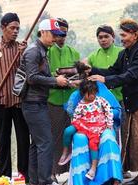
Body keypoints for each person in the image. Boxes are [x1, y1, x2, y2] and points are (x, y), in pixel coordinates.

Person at [87, 18, 138, 185]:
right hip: (132, 98)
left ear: (135, 35)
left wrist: (105, 79)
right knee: (133, 137)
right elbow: (113, 71)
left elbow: (131, 75)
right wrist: (92, 70)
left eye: (124, 35)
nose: (122, 38)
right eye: (121, 35)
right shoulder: (124, 54)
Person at [20, 18, 68, 185]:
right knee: (46, 142)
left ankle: (34, 182)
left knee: (37, 144)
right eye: (54, 34)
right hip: (33, 103)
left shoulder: (42, 50)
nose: (56, 38)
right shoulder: (33, 51)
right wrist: (55, 80)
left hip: (37, 102)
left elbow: (40, 78)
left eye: (58, 35)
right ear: (43, 32)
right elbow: (32, 78)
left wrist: (60, 81)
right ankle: (46, 183)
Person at [0, 13, 30, 182]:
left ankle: (26, 173)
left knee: (24, 138)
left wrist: (24, 55)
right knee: (3, 139)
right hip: (1, 102)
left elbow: (28, 73)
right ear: (3, 28)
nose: (16, 31)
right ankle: (4, 176)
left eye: (18, 28)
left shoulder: (22, 48)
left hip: (20, 101)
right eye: (12, 28)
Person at [86, 25, 131, 178]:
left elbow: (125, 75)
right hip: (99, 104)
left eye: (106, 37)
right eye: (100, 37)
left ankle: (122, 168)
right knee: (102, 134)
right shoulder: (92, 56)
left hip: (119, 99)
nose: (103, 40)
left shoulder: (122, 52)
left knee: (121, 133)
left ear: (113, 37)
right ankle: (104, 168)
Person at [65, 81, 123, 185]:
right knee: (79, 138)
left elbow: (116, 111)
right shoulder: (77, 96)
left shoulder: (102, 94)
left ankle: (115, 179)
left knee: (108, 138)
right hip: (86, 127)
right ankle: (82, 182)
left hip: (103, 126)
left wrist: (106, 120)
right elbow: (73, 113)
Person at [59, 80, 113, 181]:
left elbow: (109, 110)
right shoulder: (80, 104)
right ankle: (66, 151)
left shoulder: (100, 100)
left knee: (93, 144)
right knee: (68, 131)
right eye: (89, 94)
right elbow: (76, 116)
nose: (92, 96)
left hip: (96, 126)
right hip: (83, 124)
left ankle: (93, 167)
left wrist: (109, 124)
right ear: (83, 93)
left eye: (94, 93)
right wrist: (76, 127)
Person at [47, 18, 80, 176]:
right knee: (56, 137)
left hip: (72, 101)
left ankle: (75, 171)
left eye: (63, 34)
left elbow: (79, 74)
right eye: (57, 34)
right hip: (53, 101)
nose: (60, 37)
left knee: (74, 135)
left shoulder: (74, 53)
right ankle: (54, 172)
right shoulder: (47, 52)